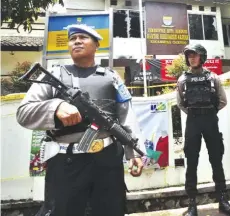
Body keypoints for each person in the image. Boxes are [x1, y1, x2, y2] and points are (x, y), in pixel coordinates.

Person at [16, 24, 143, 216]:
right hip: (66, 162)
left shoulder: (111, 77)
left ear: (97, 45)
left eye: (83, 37)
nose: (76, 41)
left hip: (106, 160)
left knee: (111, 210)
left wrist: (134, 152)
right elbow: (23, 113)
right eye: (72, 38)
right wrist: (55, 107)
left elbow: (126, 116)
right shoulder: (55, 74)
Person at [176, 44, 230, 216]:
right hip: (193, 122)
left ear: (202, 57)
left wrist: (209, 112)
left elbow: (222, 100)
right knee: (192, 162)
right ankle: (192, 204)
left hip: (210, 121)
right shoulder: (182, 79)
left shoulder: (213, 78)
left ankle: (223, 200)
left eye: (195, 55)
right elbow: (181, 103)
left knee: (216, 160)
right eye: (189, 56)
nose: (191, 58)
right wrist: (196, 112)